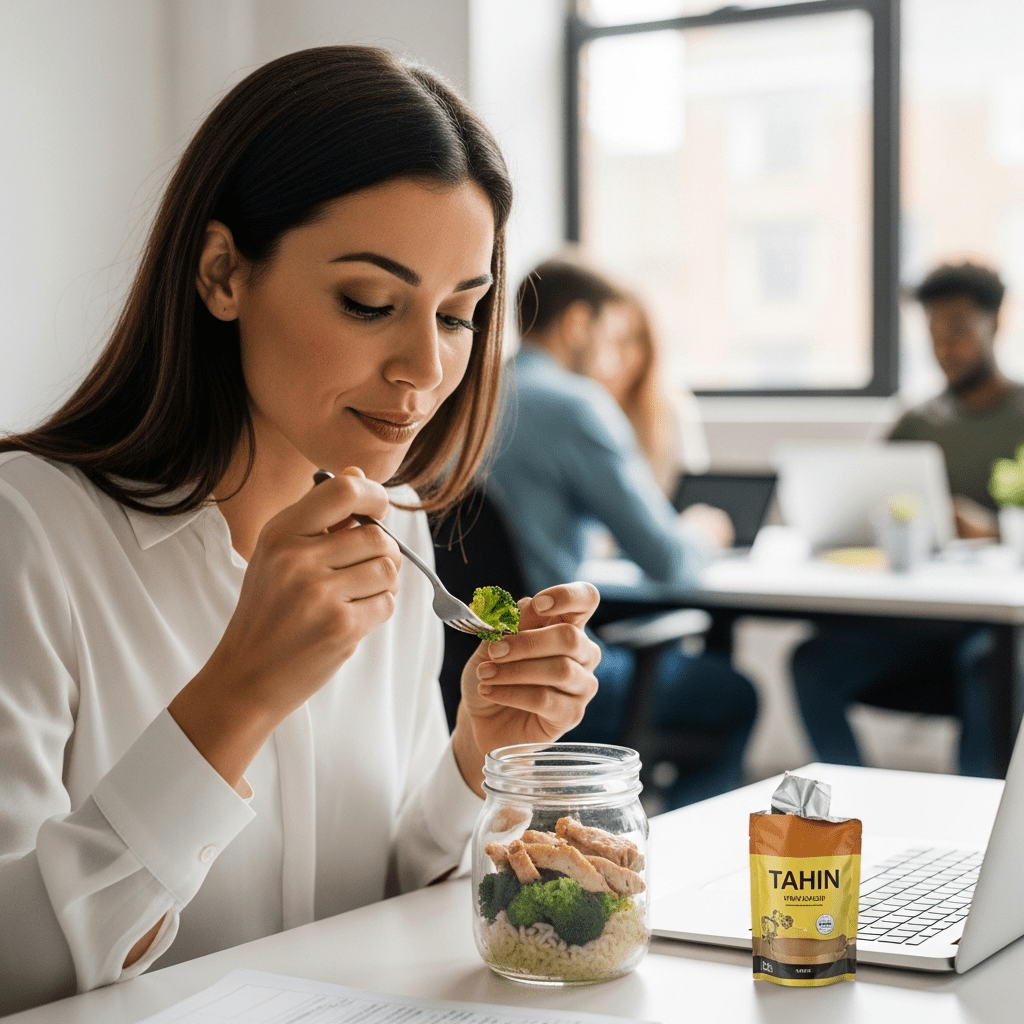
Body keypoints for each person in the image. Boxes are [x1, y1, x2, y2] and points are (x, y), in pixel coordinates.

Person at [0, 47, 603, 1015]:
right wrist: (235, 695)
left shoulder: (392, 538)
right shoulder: (26, 533)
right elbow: (11, 968)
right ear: (221, 272)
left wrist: (477, 756)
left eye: (457, 315)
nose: (422, 367)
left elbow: (384, 912)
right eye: (369, 303)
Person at [487, 256, 758, 809]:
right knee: (734, 696)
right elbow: (666, 560)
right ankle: (676, 856)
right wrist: (705, 530)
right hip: (546, 670)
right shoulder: (576, 404)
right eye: (611, 338)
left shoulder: (465, 395)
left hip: (468, 669)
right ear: (577, 324)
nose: (614, 360)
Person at [790, 261, 1015, 776]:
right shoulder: (917, 421)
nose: (944, 349)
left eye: (957, 331)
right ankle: (855, 809)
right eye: (934, 334)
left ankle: (976, 828)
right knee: (812, 663)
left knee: (989, 666)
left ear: (995, 324)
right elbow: (871, 502)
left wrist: (994, 530)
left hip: (995, 628)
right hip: (921, 621)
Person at [585, 290, 710, 496]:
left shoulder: (670, 406)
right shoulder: (582, 408)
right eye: (609, 339)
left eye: (629, 340)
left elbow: (693, 488)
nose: (617, 352)